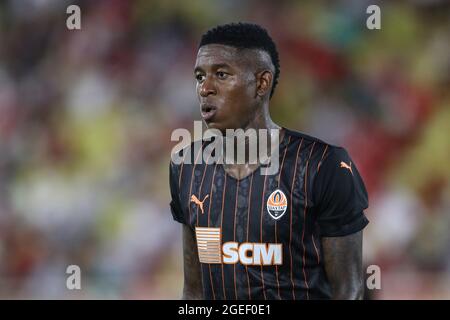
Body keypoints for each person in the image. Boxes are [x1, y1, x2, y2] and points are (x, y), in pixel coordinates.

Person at [169, 23, 369, 300]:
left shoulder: (323, 165)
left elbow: (349, 291)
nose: (205, 88)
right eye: (199, 76)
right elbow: (195, 291)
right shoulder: (187, 167)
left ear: (261, 83)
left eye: (222, 74)